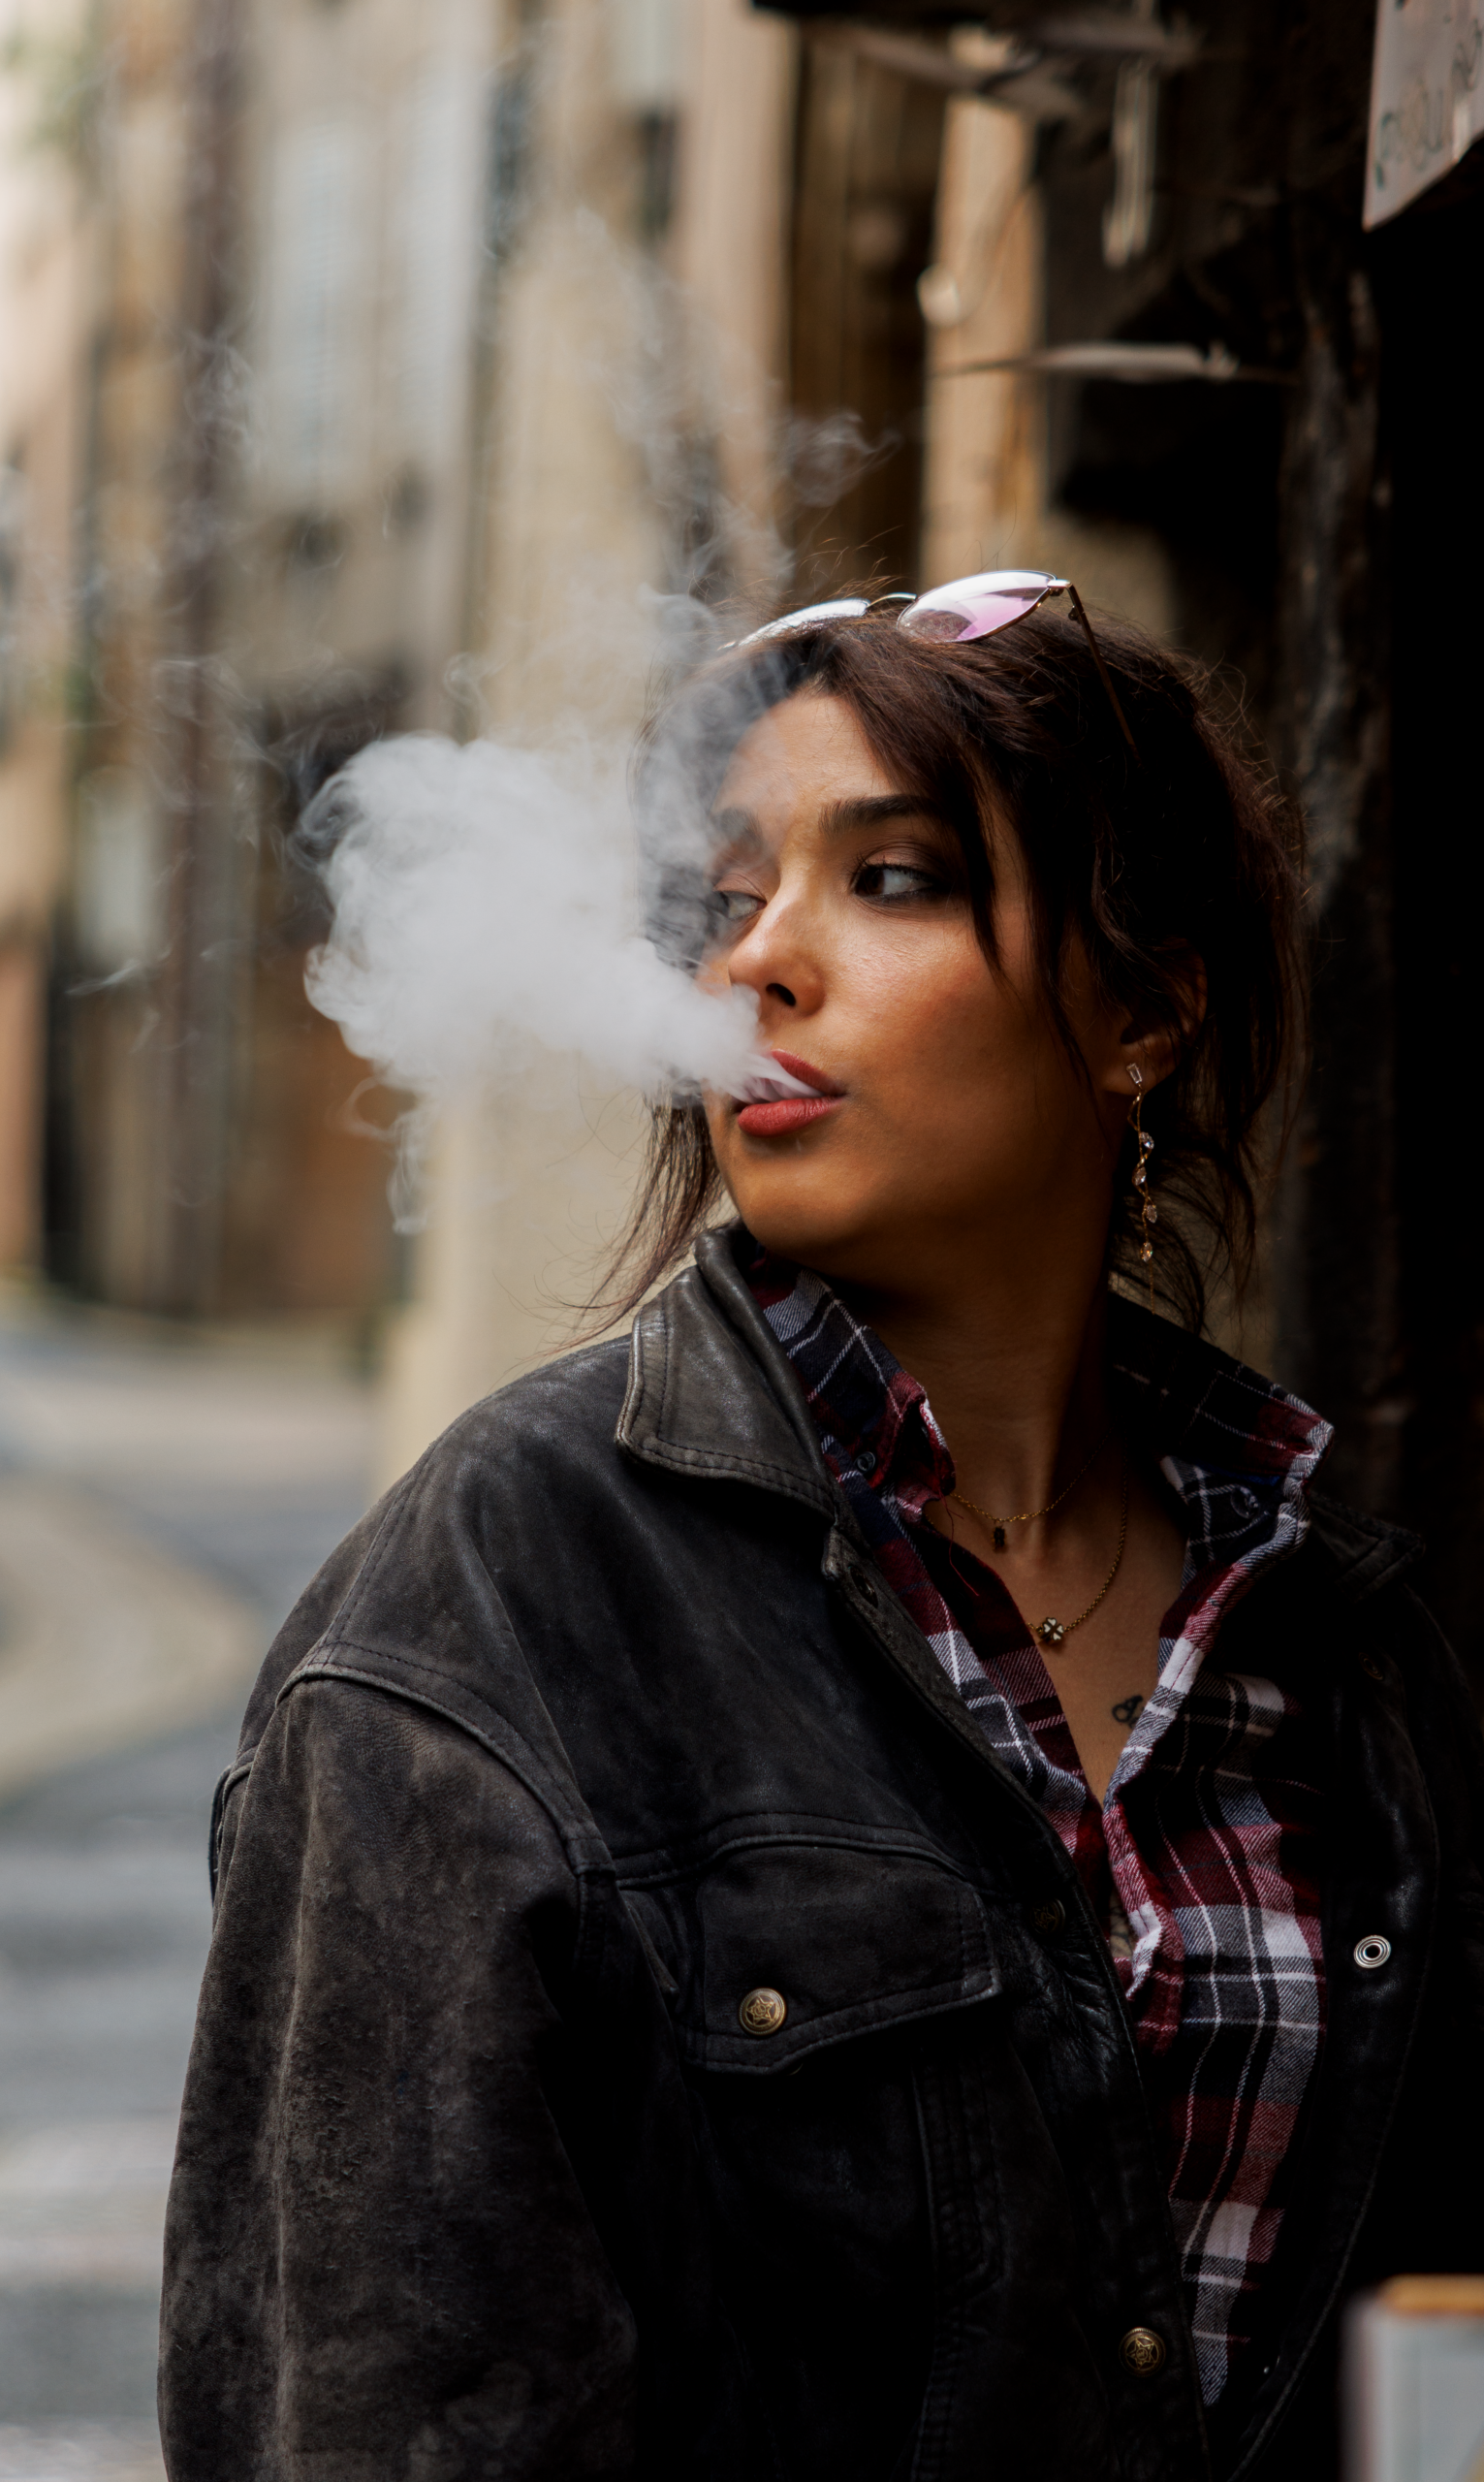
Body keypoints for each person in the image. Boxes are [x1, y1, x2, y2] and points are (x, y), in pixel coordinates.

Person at [158, 578, 1484, 2482]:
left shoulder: (1334, 1644)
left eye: (894, 877)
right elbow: (383, 2406)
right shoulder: (494, 1602)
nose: (755, 961)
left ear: (1142, 1009)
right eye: (723, 894)